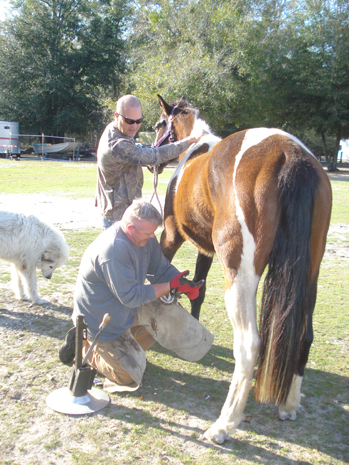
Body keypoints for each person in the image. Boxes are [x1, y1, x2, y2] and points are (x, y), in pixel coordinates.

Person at [59, 200, 214, 392]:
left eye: (153, 233)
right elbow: (131, 296)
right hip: (101, 320)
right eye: (148, 234)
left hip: (123, 310)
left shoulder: (145, 239)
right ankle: (83, 347)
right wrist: (170, 286)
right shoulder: (113, 250)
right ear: (130, 227)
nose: (151, 238)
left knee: (162, 321)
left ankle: (124, 350)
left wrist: (181, 283)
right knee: (127, 376)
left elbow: (160, 268)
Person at [96, 94, 203, 229]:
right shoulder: (116, 145)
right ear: (117, 116)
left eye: (139, 121)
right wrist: (189, 140)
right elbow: (154, 155)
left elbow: (135, 148)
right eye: (129, 121)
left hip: (125, 212)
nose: (134, 126)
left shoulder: (115, 129)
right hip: (118, 219)